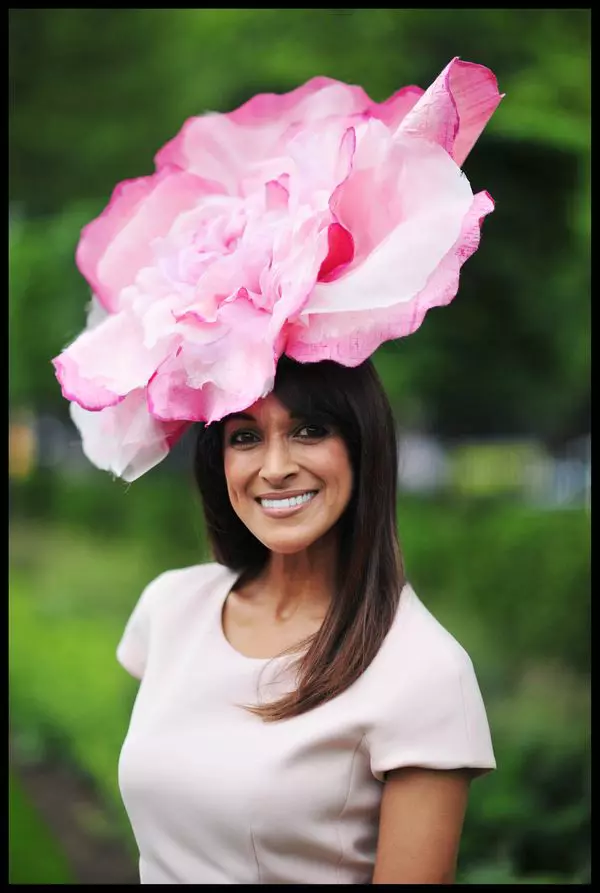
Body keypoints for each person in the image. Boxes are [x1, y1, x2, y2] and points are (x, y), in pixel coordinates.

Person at [52, 58, 502, 884]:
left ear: (362, 445)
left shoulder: (421, 671)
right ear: (215, 457)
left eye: (311, 429)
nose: (276, 466)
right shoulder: (170, 611)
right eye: (244, 438)